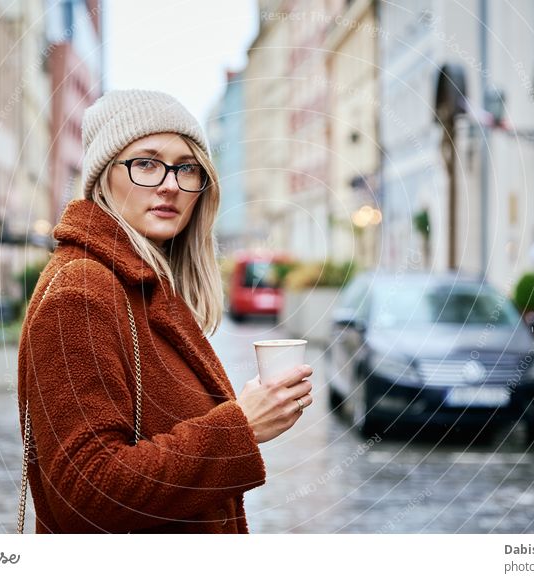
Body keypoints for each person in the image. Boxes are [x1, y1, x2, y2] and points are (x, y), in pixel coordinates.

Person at [17, 90, 314, 533]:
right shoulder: (82, 290)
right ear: (104, 176)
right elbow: (89, 491)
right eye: (147, 163)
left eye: (187, 167)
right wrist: (241, 427)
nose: (171, 183)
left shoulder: (142, 287)